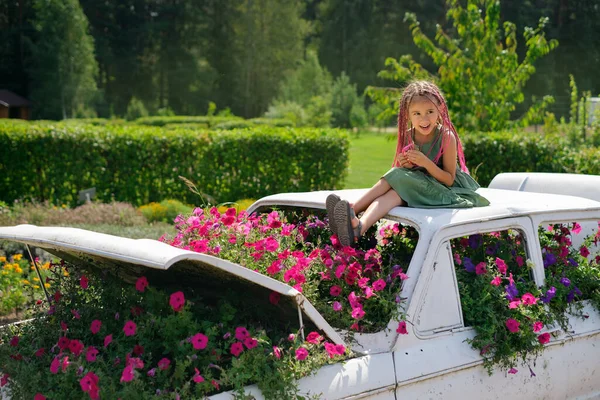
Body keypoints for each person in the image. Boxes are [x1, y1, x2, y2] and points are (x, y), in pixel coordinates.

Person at [327, 80, 489, 246]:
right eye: (417, 114)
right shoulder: (408, 135)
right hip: (422, 187)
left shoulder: (446, 136)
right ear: (408, 114)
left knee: (396, 175)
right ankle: (359, 228)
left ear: (440, 110)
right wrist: (407, 165)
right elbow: (411, 174)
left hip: (447, 191)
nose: (424, 119)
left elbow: (448, 179)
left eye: (430, 112)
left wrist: (425, 162)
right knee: (394, 194)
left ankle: (353, 210)